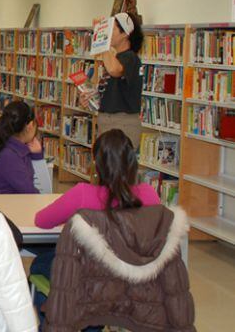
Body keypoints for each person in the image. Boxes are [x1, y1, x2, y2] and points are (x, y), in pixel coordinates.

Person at [31, 129, 163, 330]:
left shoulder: (83, 194)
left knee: (39, 265)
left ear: (96, 165)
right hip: (131, 282)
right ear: (133, 164)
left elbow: (42, 220)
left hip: (88, 281)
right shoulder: (149, 194)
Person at [80, 12, 144, 147]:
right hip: (107, 122)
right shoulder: (116, 57)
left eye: (112, 28)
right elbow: (114, 92)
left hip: (122, 125)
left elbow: (115, 71)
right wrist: (91, 99)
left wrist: (101, 39)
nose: (108, 32)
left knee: (117, 167)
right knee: (104, 167)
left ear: (125, 34)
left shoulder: (130, 58)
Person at [0, 101, 43, 194]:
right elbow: (29, 191)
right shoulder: (9, 156)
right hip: (7, 206)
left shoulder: (11, 145)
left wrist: (36, 154)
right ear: (30, 126)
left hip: (13, 203)